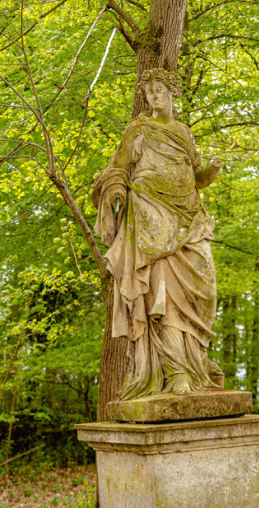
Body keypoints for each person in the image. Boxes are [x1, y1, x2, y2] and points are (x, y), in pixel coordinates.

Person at [92, 68, 224, 400]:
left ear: (172, 92)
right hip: (150, 217)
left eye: (159, 90)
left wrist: (210, 171)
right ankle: (175, 370)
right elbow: (118, 168)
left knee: (204, 289)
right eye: (148, 92)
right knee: (162, 297)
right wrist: (117, 193)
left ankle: (197, 362)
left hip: (188, 217)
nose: (153, 97)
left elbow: (196, 176)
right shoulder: (138, 128)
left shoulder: (183, 132)